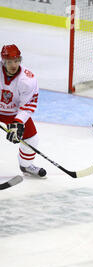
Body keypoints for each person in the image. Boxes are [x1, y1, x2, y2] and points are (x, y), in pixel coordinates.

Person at [0, 44, 46, 178]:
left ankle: (26, 165)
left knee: (31, 139)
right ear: (3, 61)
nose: (13, 65)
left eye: (16, 61)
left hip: (14, 113)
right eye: (9, 62)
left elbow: (28, 105)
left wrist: (18, 122)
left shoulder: (27, 79)